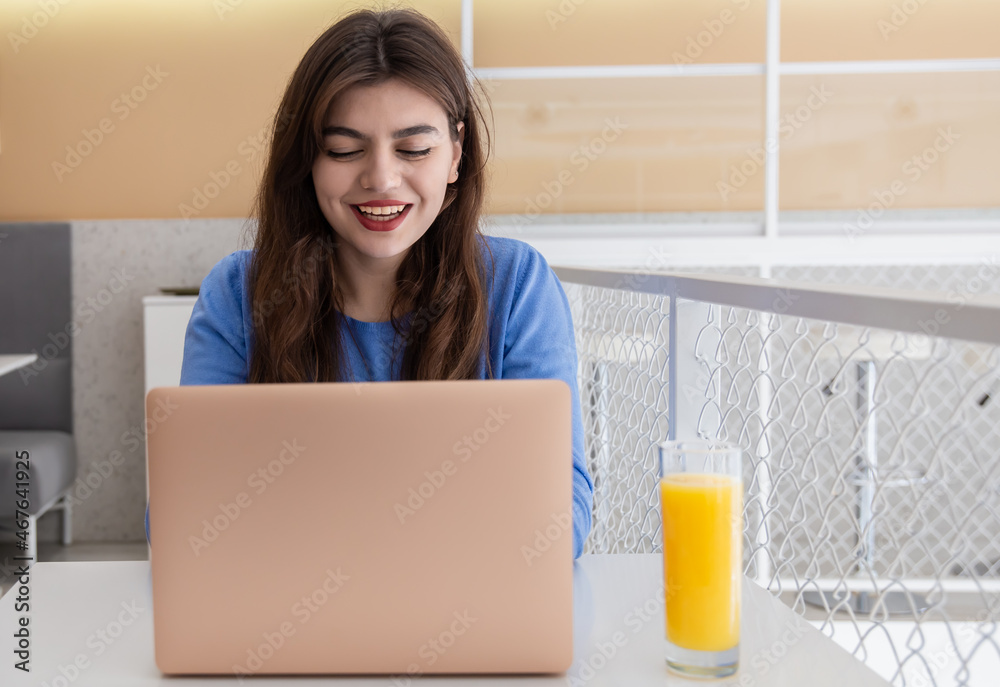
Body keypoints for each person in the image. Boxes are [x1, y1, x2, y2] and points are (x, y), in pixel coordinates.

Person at [146, 8, 594, 559]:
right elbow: (182, 518)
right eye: (344, 149)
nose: (381, 178)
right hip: (285, 628)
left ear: (456, 153)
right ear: (307, 159)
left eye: (413, 149)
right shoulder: (237, 296)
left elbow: (560, 514)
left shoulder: (517, 286)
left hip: (466, 623)